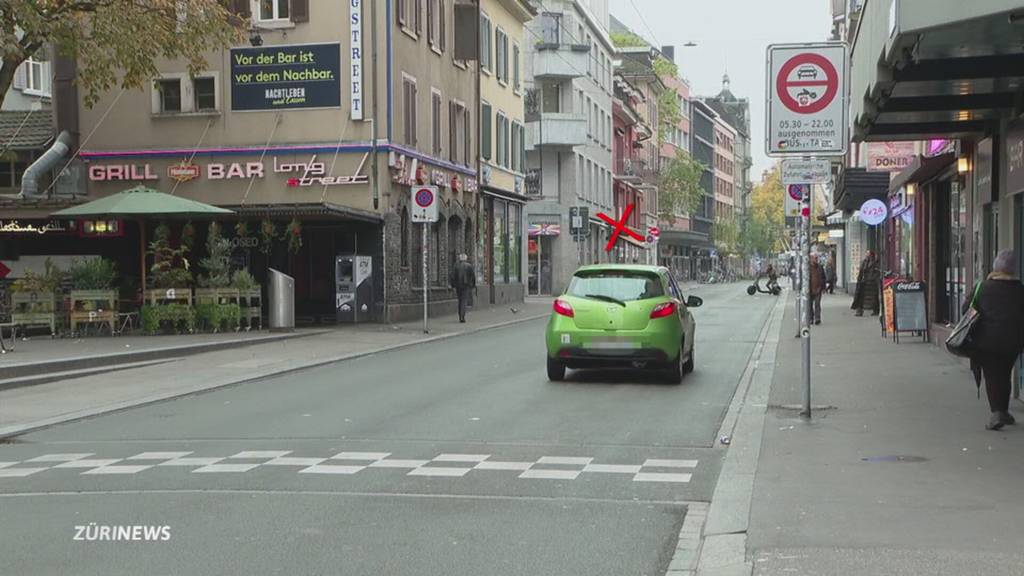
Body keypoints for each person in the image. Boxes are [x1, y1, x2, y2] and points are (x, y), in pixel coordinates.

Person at [964, 250, 1024, 431]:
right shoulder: (1020, 290)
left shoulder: (982, 287)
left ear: (996, 267)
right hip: (1012, 341)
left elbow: (966, 310)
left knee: (992, 375)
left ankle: (996, 413)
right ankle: (1003, 411)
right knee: (1004, 374)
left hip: (986, 341)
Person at [449, 253, 476, 323]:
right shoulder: (469, 266)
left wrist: (453, 286)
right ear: (466, 259)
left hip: (458, 286)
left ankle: (460, 315)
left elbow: (452, 276)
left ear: (460, 259)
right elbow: (473, 277)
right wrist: (473, 285)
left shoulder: (456, 266)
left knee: (460, 300)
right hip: (466, 286)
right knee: (464, 301)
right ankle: (462, 316)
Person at [851, 251, 880, 316]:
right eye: (866, 253)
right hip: (864, 282)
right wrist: (859, 279)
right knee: (860, 296)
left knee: (874, 297)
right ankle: (859, 310)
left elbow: (876, 273)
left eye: (868, 253)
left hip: (871, 283)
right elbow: (861, 271)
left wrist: (872, 278)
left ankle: (875, 310)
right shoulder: (864, 262)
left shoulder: (875, 263)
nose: (867, 255)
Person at [809, 255, 826, 324]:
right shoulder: (808, 268)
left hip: (818, 288)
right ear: (811, 259)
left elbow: (823, 278)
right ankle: (811, 318)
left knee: (817, 304)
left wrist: (824, 288)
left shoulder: (820, 267)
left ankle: (817, 318)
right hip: (809, 289)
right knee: (809, 305)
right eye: (814, 258)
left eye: (816, 258)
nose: (816, 259)